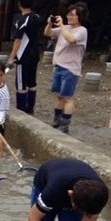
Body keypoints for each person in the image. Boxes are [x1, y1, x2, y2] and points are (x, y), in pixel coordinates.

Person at [44, 2, 89, 133]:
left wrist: (62, 26)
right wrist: (50, 23)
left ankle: (65, 123)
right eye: (68, 14)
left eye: (73, 15)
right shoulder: (66, 28)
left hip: (70, 69)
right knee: (59, 96)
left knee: (67, 97)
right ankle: (57, 120)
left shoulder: (82, 30)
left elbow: (71, 40)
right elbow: (48, 33)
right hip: (58, 66)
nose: (69, 17)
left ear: (80, 17)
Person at [7, 0, 40, 115]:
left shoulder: (22, 20)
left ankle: (21, 110)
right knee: (32, 82)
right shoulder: (36, 17)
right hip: (35, 53)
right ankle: (30, 108)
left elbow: (18, 40)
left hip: (23, 55)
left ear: (19, 5)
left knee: (21, 84)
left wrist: (12, 57)